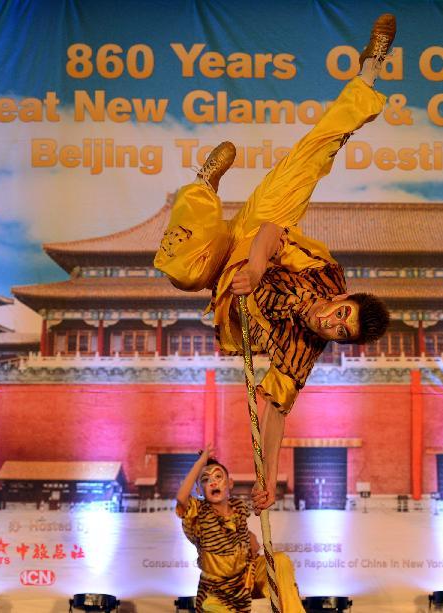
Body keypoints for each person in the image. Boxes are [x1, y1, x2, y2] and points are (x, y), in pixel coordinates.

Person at [156, 15, 396, 511]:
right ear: (343, 297)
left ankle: (201, 192)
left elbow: (275, 410)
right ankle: (371, 68)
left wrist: (266, 473)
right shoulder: (325, 274)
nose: (332, 325)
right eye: (342, 315)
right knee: (313, 154)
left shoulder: (302, 350)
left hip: (226, 278)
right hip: (261, 237)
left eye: (341, 334)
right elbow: (269, 234)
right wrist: (260, 268)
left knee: (182, 271)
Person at [176, 444, 305, 612]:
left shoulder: (239, 512)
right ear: (200, 490)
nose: (213, 482)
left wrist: (250, 543)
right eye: (206, 480)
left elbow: (252, 545)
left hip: (245, 581)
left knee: (279, 560)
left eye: (218, 476)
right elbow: (181, 499)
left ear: (230, 483)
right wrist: (200, 463)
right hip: (218, 594)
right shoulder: (198, 514)